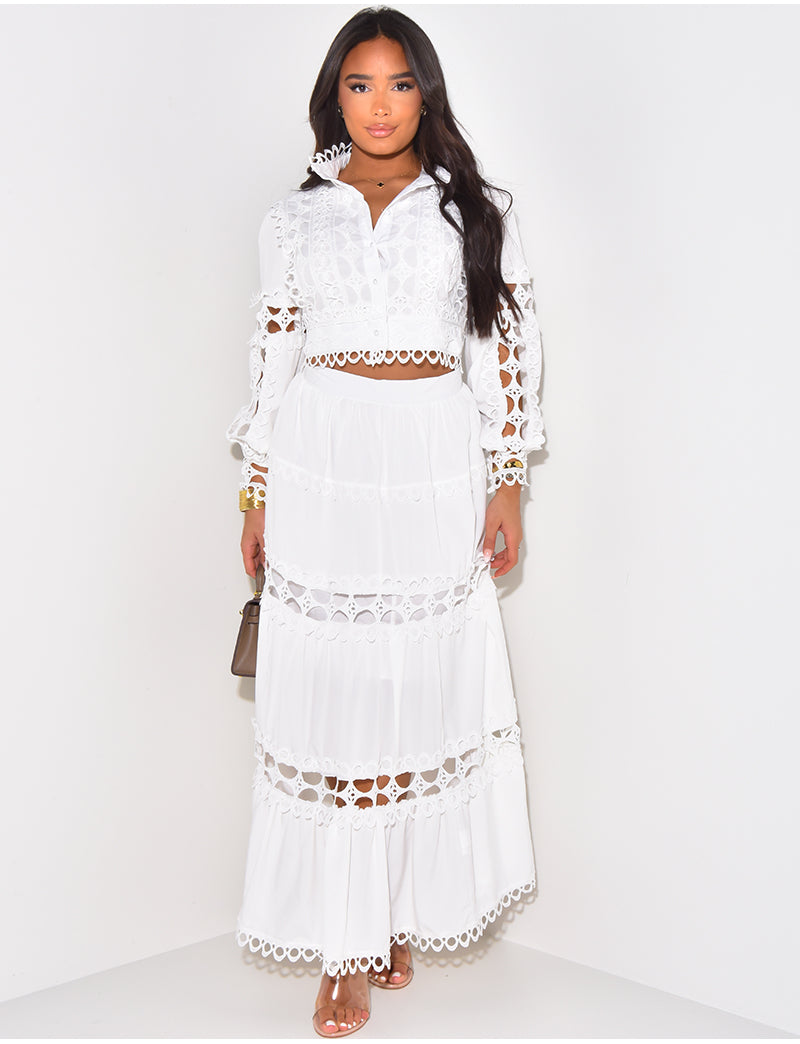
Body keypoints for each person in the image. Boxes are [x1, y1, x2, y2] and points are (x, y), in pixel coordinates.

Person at [226, 6, 545, 1037]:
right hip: (321, 462)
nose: (378, 105)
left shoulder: (474, 209)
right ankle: (346, 946)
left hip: (431, 463)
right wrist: (257, 490)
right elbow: (272, 359)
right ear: (335, 96)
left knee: (414, 688)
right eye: (358, 85)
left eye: (399, 83)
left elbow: (503, 344)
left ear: (425, 94)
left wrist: (506, 476)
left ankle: (392, 914)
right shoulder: (294, 219)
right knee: (336, 696)